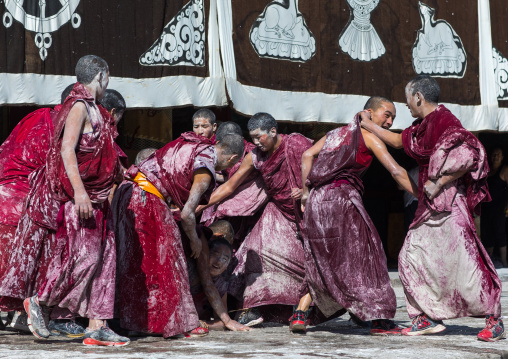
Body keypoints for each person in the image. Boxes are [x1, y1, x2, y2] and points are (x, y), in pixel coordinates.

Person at [360, 75, 504, 342]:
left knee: (468, 260)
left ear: (418, 97)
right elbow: (394, 141)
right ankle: (422, 318)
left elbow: (470, 153)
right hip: (430, 205)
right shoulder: (423, 126)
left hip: (450, 202)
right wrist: (367, 124)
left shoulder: (444, 120)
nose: (407, 107)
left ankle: (494, 320)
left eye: (407, 102)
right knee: (409, 257)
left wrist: (440, 181)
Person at [15, 55, 129, 346]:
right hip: (83, 199)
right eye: (108, 77)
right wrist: (79, 192)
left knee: (104, 263)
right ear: (101, 75)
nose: (108, 83)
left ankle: (97, 327)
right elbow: (67, 150)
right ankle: (40, 301)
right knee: (84, 259)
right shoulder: (79, 106)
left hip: (100, 199)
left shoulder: (96, 110)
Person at [292, 97, 417, 335]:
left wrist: (306, 193)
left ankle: (300, 313)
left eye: (393, 118)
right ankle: (378, 319)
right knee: (368, 256)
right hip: (341, 200)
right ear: (369, 112)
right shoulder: (368, 136)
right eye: (386, 115)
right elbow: (396, 170)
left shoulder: (334, 135)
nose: (389, 122)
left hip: (318, 203)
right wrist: (422, 196)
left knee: (323, 261)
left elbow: (307, 155)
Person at [112, 131, 250, 339]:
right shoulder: (205, 168)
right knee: (168, 260)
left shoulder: (195, 145)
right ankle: (177, 322)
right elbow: (187, 214)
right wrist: (194, 241)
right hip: (147, 199)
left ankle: (134, 323)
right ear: (232, 159)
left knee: (136, 261)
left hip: (127, 193)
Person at [197, 113, 313, 327]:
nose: (257, 143)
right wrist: (201, 203)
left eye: (260, 137)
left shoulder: (296, 143)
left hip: (308, 210)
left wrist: (306, 188)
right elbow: (231, 186)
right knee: (255, 251)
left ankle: (305, 308)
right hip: (278, 209)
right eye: (253, 138)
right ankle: (252, 307)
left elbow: (322, 162)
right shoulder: (255, 156)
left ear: (273, 131)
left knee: (312, 260)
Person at [201, 122, 268, 248]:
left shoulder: (252, 155)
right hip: (227, 197)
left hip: (249, 205)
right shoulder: (214, 152)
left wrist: (200, 206)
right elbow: (228, 179)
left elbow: (230, 185)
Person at [481, 147, 508, 267]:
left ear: (502, 157)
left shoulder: (505, 169)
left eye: (498, 154)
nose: (495, 157)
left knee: (500, 233)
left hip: (499, 209)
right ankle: (490, 262)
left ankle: (505, 262)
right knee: (488, 234)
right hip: (486, 208)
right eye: (493, 154)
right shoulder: (488, 170)